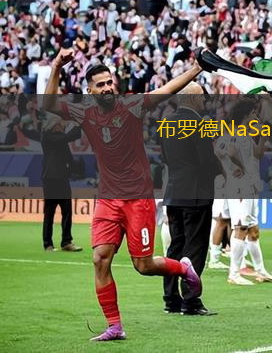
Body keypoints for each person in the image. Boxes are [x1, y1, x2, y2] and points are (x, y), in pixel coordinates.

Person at [42, 47, 205, 341]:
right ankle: (115, 326)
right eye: (100, 84)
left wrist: (197, 68)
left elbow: (167, 89)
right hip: (107, 199)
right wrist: (56, 66)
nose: (107, 88)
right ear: (90, 91)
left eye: (110, 82)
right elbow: (49, 103)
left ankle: (183, 268)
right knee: (99, 259)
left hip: (138, 198)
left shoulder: (131, 105)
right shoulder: (84, 111)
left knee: (143, 265)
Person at [161, 82, 223, 316]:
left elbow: (165, 158)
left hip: (174, 191)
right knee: (195, 247)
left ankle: (171, 298)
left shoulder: (166, 124)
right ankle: (191, 300)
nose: (204, 101)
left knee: (175, 245)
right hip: (197, 193)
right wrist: (220, 168)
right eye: (202, 97)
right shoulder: (200, 124)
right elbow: (205, 160)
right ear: (194, 99)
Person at [216, 99, 272, 285]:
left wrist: (263, 135)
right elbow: (230, 152)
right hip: (241, 187)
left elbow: (257, 154)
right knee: (241, 228)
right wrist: (241, 168)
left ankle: (261, 271)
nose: (255, 116)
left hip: (248, 186)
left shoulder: (241, 134)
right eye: (253, 113)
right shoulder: (236, 134)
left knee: (253, 230)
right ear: (245, 115)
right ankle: (234, 274)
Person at [40, 114, 83, 252]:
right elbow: (69, 137)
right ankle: (48, 243)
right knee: (49, 212)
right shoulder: (47, 137)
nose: (63, 126)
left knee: (67, 211)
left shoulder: (60, 138)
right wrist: (78, 124)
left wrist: (71, 169)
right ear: (54, 125)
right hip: (51, 179)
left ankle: (66, 242)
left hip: (62, 178)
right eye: (61, 124)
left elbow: (69, 155)